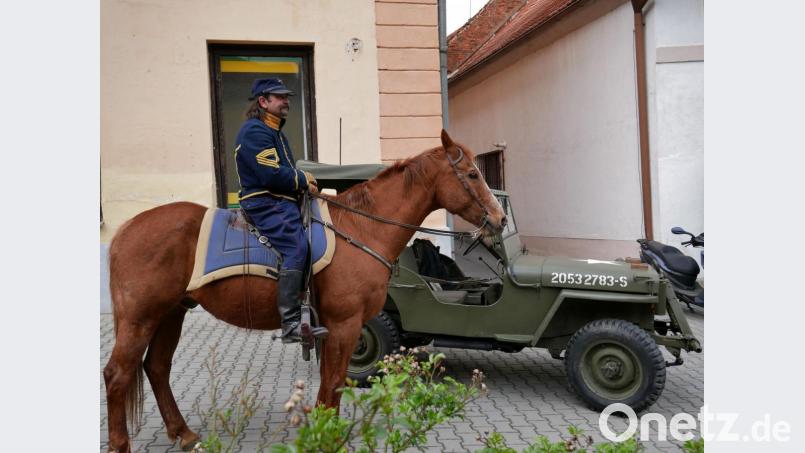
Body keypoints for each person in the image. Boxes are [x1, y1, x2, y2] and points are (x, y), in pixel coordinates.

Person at [234, 77, 327, 343]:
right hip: (266, 202)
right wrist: (302, 179)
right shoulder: (255, 131)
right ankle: (291, 324)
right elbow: (270, 175)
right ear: (263, 101)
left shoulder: (275, 132)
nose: (286, 101)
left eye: (286, 97)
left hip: (279, 200)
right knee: (296, 247)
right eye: (280, 97)